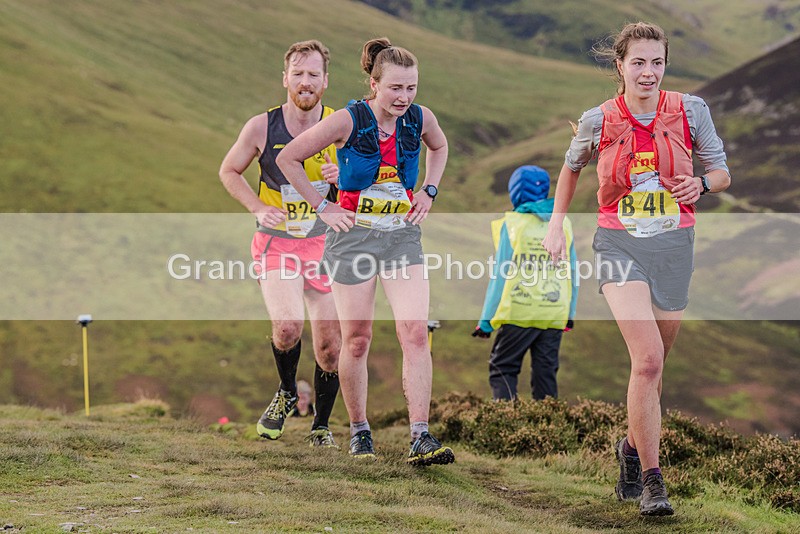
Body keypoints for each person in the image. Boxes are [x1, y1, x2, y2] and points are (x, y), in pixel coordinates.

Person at [542, 22, 731, 516]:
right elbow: (571, 168)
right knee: (646, 359)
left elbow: (720, 171)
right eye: (639, 62)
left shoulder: (691, 110)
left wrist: (703, 186)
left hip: (674, 246)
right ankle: (653, 482)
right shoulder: (598, 119)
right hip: (617, 242)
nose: (648, 72)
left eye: (657, 62)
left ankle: (629, 448)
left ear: (665, 64)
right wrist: (555, 225)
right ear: (620, 66)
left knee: (656, 366)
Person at [276, 38, 454, 466]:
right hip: (353, 240)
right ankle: (359, 430)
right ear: (373, 84)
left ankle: (421, 435)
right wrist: (324, 206)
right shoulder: (347, 120)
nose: (404, 97)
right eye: (395, 88)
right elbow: (290, 160)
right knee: (356, 340)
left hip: (401, 237)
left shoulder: (419, 118)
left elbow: (441, 147)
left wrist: (429, 190)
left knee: (414, 332)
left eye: (411, 88)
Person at [219, 40, 342, 448]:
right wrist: (256, 208)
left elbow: (372, 188)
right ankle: (287, 392)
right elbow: (229, 170)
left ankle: (321, 425)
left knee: (330, 348)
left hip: (327, 246)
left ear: (326, 81)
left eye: (313, 75)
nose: (305, 82)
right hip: (277, 242)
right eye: (298, 74)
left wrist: (342, 180)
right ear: (285, 78)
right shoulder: (261, 126)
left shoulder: (342, 127)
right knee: (287, 327)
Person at [472, 165, 577, 401]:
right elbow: (573, 274)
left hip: (518, 311)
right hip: (554, 313)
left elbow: (500, 276)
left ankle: (506, 424)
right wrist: (569, 315)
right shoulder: (564, 224)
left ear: (515, 192)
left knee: (503, 367)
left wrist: (486, 322)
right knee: (546, 374)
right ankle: (548, 425)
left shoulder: (511, 225)